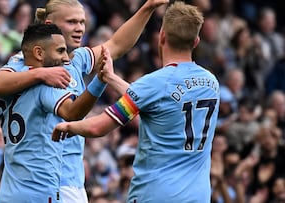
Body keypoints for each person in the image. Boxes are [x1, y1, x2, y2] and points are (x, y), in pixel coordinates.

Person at [0, 0, 168, 202]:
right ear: (50, 25)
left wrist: (148, 7)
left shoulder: (76, 59)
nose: (80, 28)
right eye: (72, 22)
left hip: (59, 180)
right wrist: (42, 74)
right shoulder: (29, 64)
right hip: (49, 182)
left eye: (82, 22)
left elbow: (116, 45)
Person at [52, 2, 220, 202]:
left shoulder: (154, 83)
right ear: (196, 41)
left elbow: (99, 127)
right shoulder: (211, 83)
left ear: (162, 36)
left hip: (156, 194)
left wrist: (69, 126)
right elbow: (158, 101)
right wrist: (112, 79)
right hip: (197, 196)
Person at [0, 23, 111, 203]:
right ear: (39, 53)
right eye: (60, 51)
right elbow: (72, 113)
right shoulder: (46, 81)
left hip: (9, 191)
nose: (66, 58)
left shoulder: (11, 77)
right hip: (40, 189)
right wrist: (100, 81)